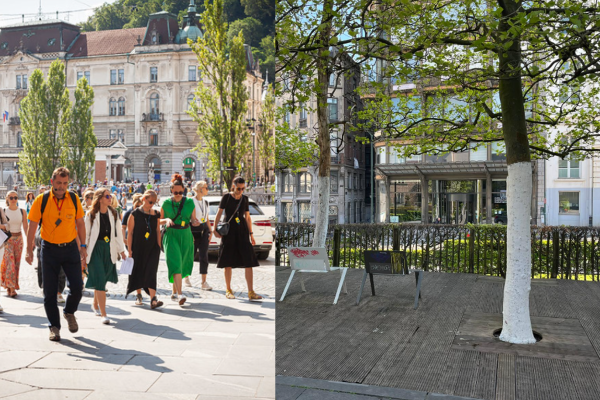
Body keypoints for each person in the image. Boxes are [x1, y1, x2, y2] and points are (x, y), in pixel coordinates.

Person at [26, 167, 87, 342]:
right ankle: (54, 327)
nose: (61, 187)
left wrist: (82, 245)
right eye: (58, 183)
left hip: (70, 249)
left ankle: (69, 311)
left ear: (68, 183)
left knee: (77, 287)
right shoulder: (42, 200)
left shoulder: (74, 199)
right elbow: (32, 225)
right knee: (50, 293)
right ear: (52, 182)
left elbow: (80, 223)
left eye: (65, 183)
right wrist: (29, 250)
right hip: (49, 250)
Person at [213, 177, 262, 301]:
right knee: (227, 261)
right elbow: (219, 214)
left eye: (243, 188)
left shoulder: (244, 199)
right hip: (229, 232)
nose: (240, 191)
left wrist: (251, 234)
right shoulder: (226, 197)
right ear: (233, 186)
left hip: (242, 232)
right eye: (238, 188)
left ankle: (251, 292)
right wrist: (214, 229)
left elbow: (247, 217)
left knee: (249, 261)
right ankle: (228, 289)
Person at [84, 188, 127, 324]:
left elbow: (117, 235)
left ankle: (95, 304)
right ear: (100, 198)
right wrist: (83, 252)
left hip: (108, 248)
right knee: (100, 278)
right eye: (107, 196)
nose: (110, 198)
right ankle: (104, 314)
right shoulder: (91, 214)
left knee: (102, 279)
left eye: (110, 196)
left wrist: (121, 250)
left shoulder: (113, 214)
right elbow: (86, 235)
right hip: (95, 249)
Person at [160, 174, 200, 305]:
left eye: (180, 192)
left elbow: (193, 218)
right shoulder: (166, 203)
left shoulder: (189, 202)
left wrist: (195, 222)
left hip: (186, 235)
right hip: (171, 235)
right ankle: (180, 294)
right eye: (175, 192)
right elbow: (158, 221)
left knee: (182, 264)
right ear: (171, 190)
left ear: (183, 190)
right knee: (175, 262)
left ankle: (174, 291)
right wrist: (166, 220)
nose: (177, 194)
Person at [126, 190, 163, 308]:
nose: (152, 204)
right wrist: (130, 250)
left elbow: (158, 230)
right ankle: (139, 295)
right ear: (144, 199)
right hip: (138, 247)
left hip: (152, 248)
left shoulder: (156, 214)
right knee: (138, 270)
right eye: (150, 201)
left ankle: (153, 299)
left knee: (152, 272)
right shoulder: (134, 214)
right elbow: (130, 233)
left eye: (154, 202)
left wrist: (159, 246)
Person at [0, 191, 28, 298]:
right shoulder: (3, 211)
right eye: (11, 197)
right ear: (7, 199)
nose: (13, 199)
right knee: (9, 264)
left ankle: (10, 285)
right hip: (7, 239)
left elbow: (25, 227)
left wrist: (30, 241)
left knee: (16, 264)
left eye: (15, 197)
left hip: (19, 239)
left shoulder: (22, 211)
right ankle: (11, 288)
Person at [188, 181, 212, 290]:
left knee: (204, 256)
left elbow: (206, 218)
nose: (208, 189)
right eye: (206, 188)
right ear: (200, 189)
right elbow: (189, 218)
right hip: (193, 231)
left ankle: (204, 282)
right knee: (190, 256)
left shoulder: (206, 202)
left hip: (204, 231)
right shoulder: (191, 201)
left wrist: (210, 231)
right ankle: (186, 276)